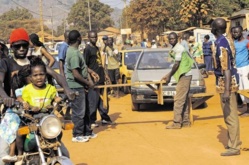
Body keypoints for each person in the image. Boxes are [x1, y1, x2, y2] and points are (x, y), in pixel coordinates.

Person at [0, 28, 75, 165]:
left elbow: (56, 75)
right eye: (17, 46)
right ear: (12, 47)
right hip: (16, 110)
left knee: (63, 151)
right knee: (3, 153)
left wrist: (67, 89)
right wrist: (6, 97)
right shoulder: (6, 63)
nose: (22, 48)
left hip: (40, 111)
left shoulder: (35, 61)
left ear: (29, 45)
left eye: (24, 45)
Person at [211, 18, 241, 156]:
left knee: (230, 116)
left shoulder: (221, 44)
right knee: (230, 115)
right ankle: (232, 142)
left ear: (215, 29)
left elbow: (226, 69)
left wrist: (226, 91)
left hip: (226, 83)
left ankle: (234, 147)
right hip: (226, 82)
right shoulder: (226, 40)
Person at [65, 30, 97, 143]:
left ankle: (87, 131)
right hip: (76, 86)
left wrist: (91, 72)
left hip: (81, 85)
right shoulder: (73, 53)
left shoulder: (76, 51)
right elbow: (76, 74)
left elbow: (82, 67)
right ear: (78, 38)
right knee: (79, 111)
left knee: (86, 109)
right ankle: (77, 134)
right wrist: (88, 83)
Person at [161, 32, 194, 129]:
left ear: (177, 38)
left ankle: (176, 123)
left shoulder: (179, 48)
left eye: (173, 39)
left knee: (178, 100)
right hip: (183, 75)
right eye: (170, 39)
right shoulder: (174, 48)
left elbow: (176, 64)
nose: (172, 40)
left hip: (185, 76)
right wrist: (168, 75)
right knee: (183, 99)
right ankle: (185, 121)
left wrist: (169, 76)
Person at [83, 31, 115, 128]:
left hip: (101, 78)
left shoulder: (97, 48)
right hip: (93, 79)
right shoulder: (87, 50)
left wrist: (105, 74)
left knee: (102, 100)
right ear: (88, 38)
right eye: (92, 37)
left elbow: (100, 62)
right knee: (94, 101)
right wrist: (90, 77)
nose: (94, 39)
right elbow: (84, 65)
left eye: (95, 37)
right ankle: (92, 120)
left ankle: (104, 117)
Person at [231, 26, 249, 116]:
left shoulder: (247, 42)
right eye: (233, 32)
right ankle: (246, 107)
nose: (234, 34)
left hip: (246, 67)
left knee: (247, 88)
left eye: (236, 32)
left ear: (241, 32)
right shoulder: (234, 43)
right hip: (238, 68)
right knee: (241, 89)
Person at [58, 30, 71, 120]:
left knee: (70, 94)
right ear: (67, 38)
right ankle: (59, 105)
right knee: (70, 94)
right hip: (66, 75)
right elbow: (60, 62)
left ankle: (66, 112)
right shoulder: (63, 47)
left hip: (70, 74)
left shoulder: (68, 46)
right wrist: (62, 76)